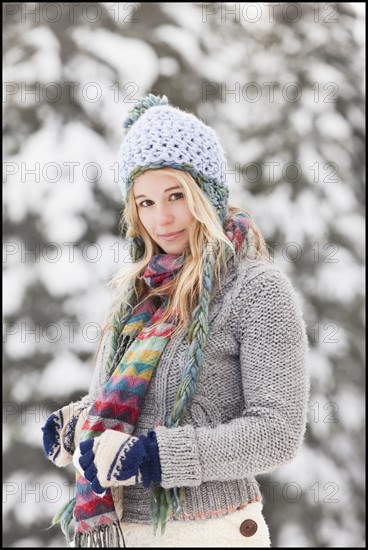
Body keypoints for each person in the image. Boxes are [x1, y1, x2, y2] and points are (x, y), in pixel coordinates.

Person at [42, 93, 310, 548]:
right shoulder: (138, 296)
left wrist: (155, 456)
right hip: (121, 533)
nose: (161, 218)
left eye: (175, 196)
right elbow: (139, 407)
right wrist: (83, 421)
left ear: (205, 194)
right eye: (145, 202)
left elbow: (277, 433)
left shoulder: (256, 289)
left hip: (209, 532)